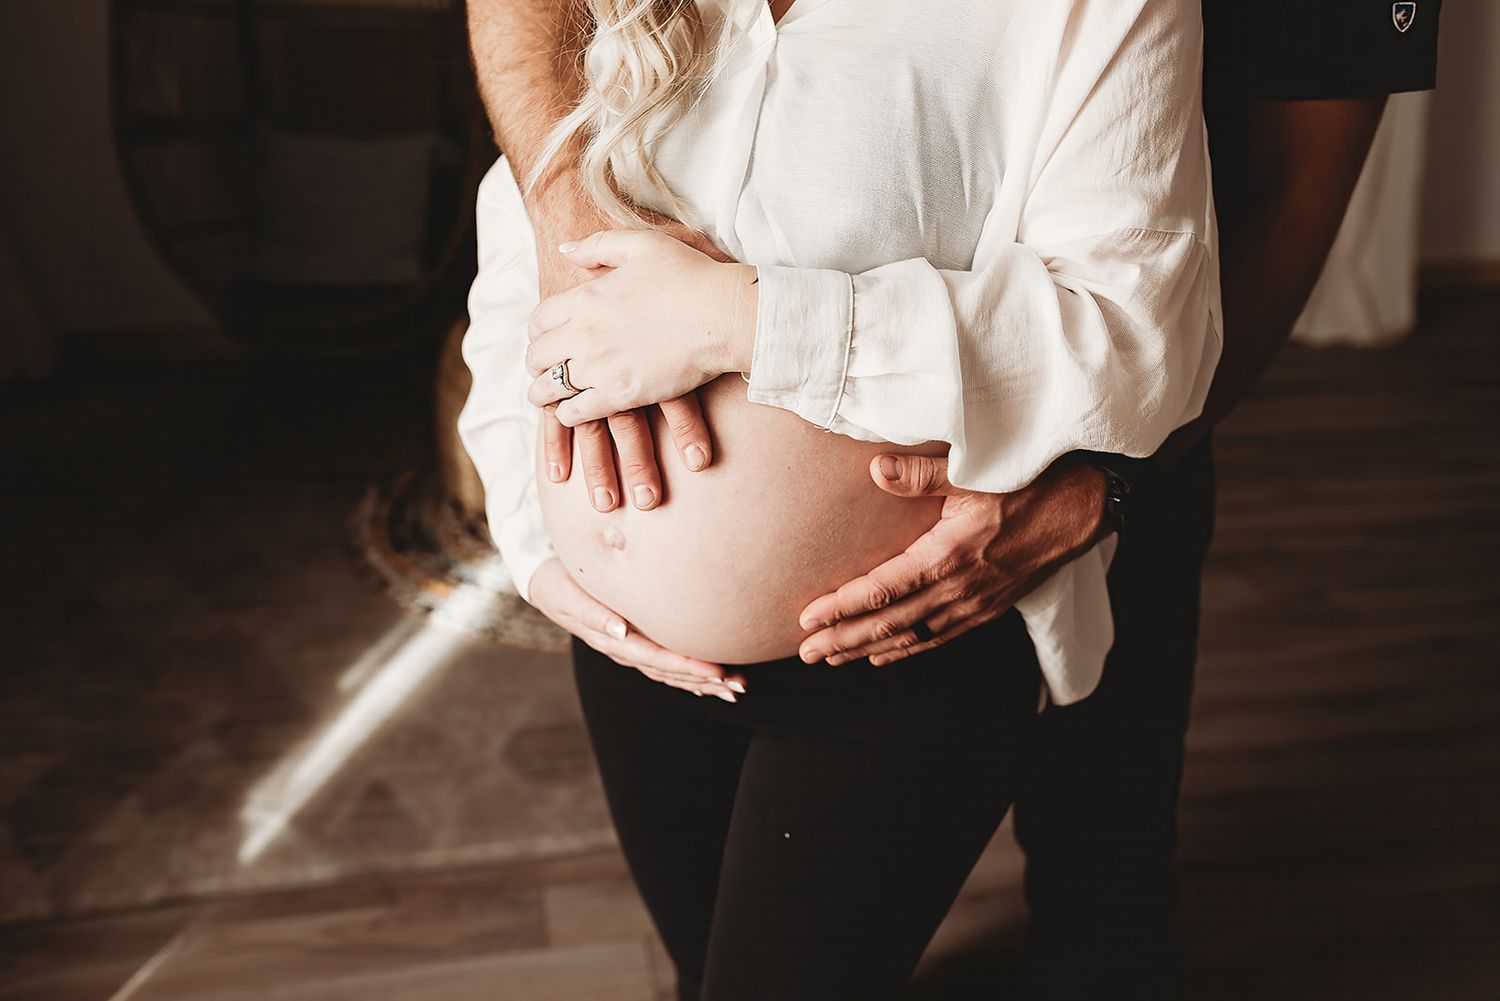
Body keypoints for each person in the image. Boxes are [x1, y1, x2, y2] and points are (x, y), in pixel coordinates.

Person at [458, 1, 1221, 997]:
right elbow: (526, 251)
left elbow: (1137, 337)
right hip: (633, 654)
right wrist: (532, 534)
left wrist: (748, 321)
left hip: (903, 645)